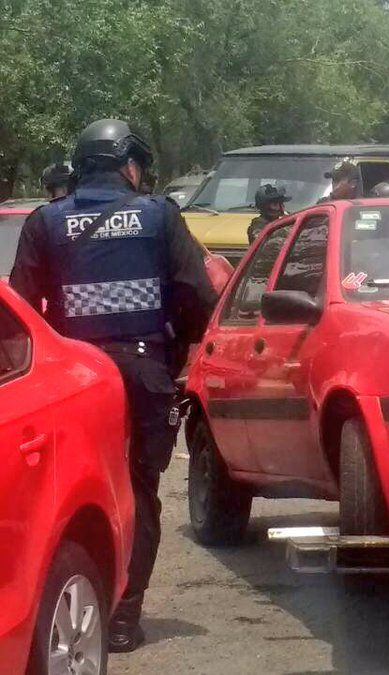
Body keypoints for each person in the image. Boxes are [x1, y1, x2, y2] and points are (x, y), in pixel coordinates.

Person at [9, 119, 217, 653]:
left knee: (75, 493)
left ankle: (75, 606)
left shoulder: (45, 223)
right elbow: (197, 293)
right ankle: (124, 619)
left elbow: (21, 312)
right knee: (139, 490)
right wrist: (180, 351)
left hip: (74, 379)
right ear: (129, 165)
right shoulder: (160, 216)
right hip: (145, 373)